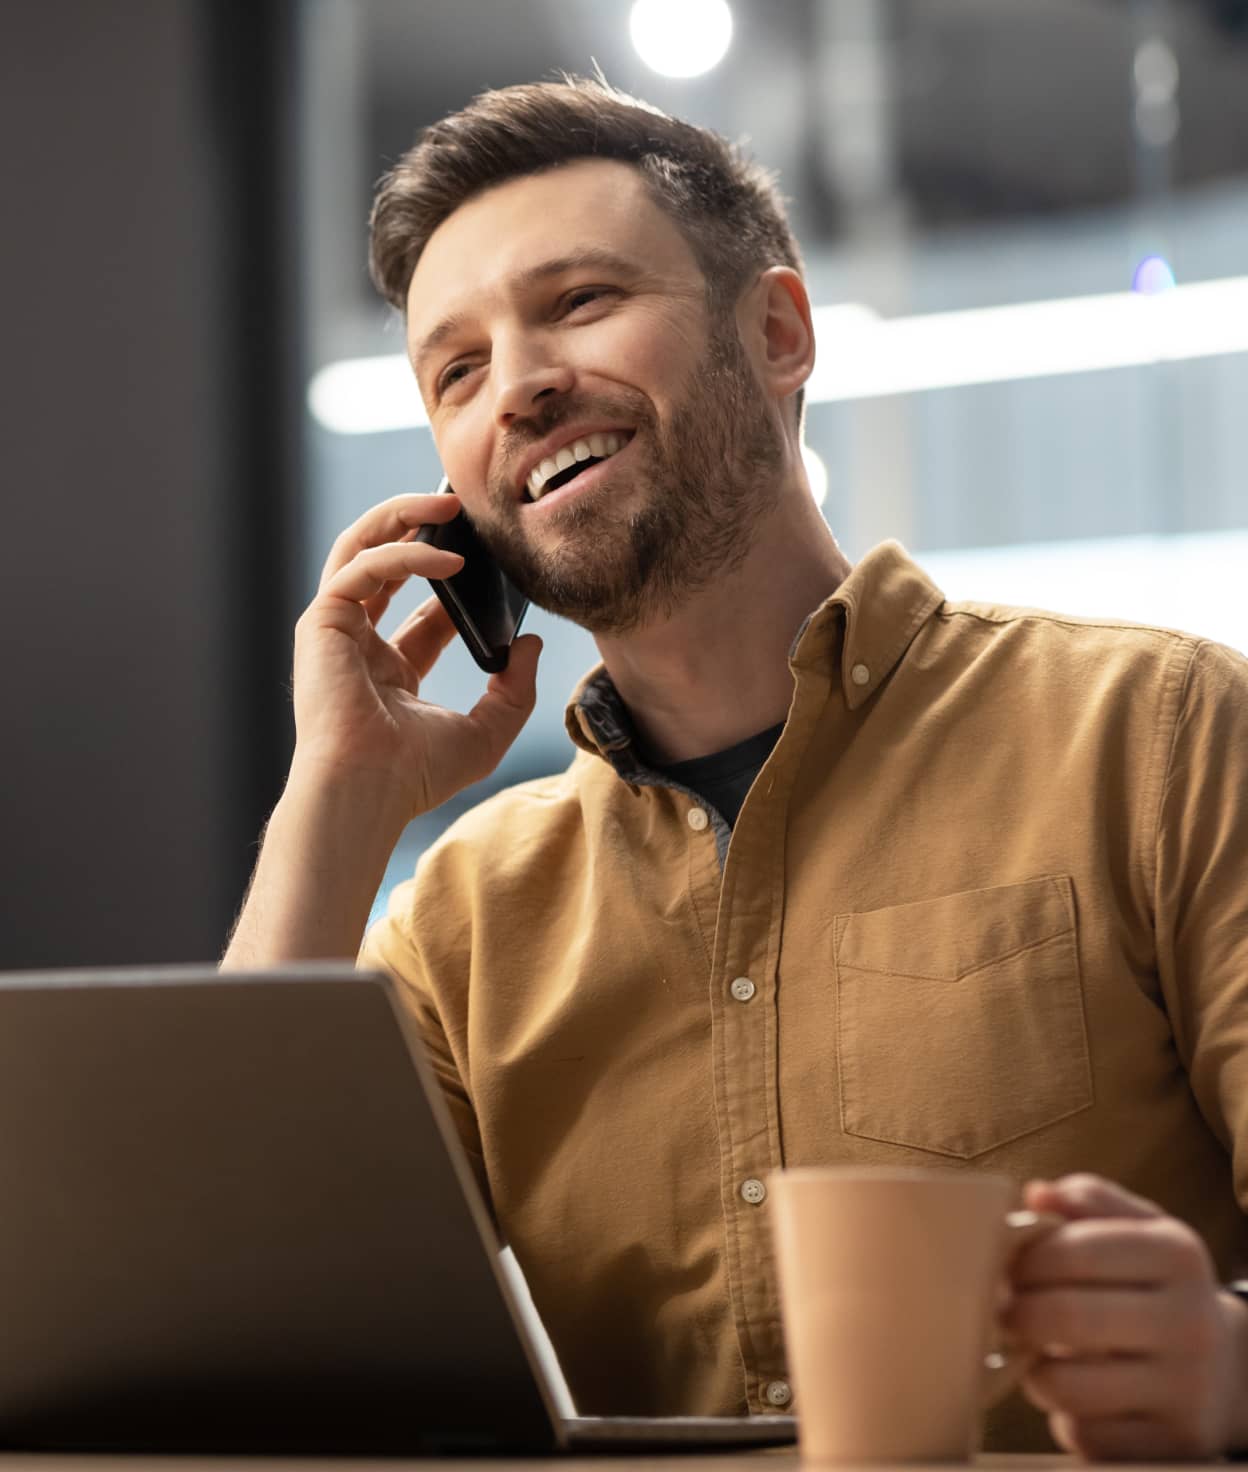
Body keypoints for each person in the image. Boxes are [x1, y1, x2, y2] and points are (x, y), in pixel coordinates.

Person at [223, 76, 1248, 1459]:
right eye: (456, 370)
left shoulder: (1163, 735)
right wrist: (331, 804)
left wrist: (1228, 1368)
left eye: (580, 302)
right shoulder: (466, 919)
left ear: (777, 333)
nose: (518, 386)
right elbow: (228, 1325)